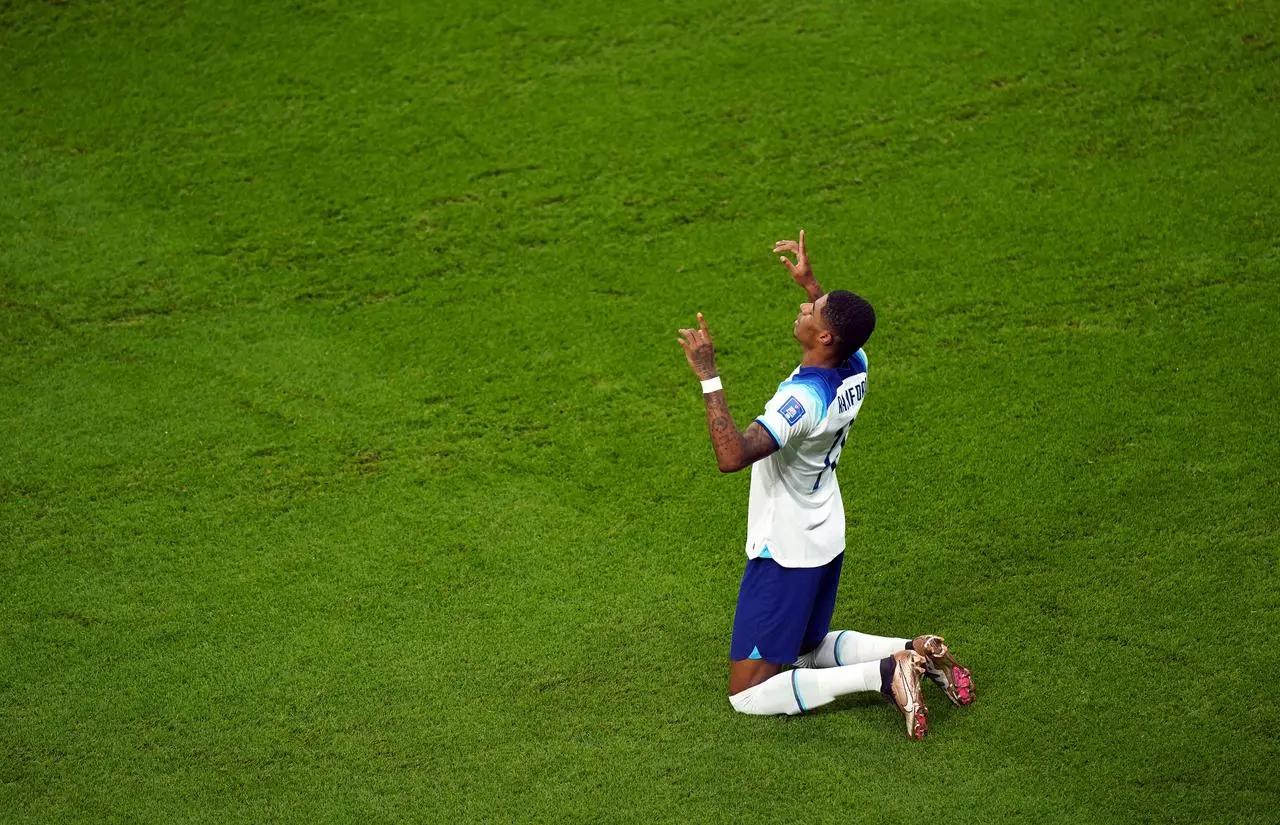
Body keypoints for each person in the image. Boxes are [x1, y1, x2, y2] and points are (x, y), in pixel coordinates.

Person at [676, 230, 974, 739]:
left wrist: (708, 373)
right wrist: (812, 283)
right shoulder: (856, 362)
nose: (804, 307)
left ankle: (885, 674)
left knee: (747, 694)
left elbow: (731, 457)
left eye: (813, 311)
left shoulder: (803, 400)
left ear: (825, 337)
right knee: (807, 647)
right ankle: (917, 649)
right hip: (826, 530)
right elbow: (840, 327)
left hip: (786, 548)